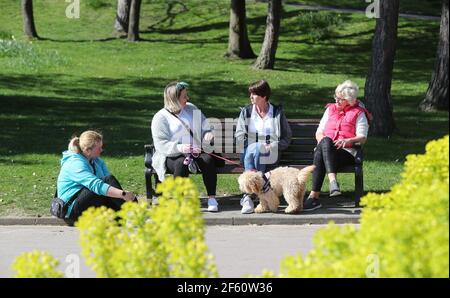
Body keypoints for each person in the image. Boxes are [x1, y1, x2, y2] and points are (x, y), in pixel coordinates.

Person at [151, 81, 219, 212]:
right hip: (173, 154)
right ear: (174, 99)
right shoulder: (160, 117)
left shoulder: (191, 108)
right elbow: (160, 144)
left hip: (196, 151)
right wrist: (180, 148)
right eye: (184, 97)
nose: (187, 99)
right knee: (181, 164)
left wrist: (208, 134)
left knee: (208, 160)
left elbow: (206, 126)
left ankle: (212, 198)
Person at [303, 80, 371, 211]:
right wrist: (324, 143)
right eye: (336, 97)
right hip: (326, 149)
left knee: (322, 150)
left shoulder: (359, 113)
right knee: (325, 142)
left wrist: (348, 141)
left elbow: (362, 138)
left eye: (340, 99)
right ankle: (333, 182)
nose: (336, 101)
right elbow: (319, 132)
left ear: (349, 100)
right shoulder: (330, 110)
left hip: (345, 153)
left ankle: (313, 198)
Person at [235, 80, 292, 214]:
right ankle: (258, 194)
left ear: (264, 96)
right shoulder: (246, 112)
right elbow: (239, 136)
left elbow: (287, 137)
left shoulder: (277, 113)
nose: (250, 97)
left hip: (271, 154)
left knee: (258, 151)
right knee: (256, 149)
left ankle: (248, 197)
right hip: (249, 152)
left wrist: (273, 145)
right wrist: (255, 145)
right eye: (250, 94)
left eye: (253, 94)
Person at [57, 130, 136, 224]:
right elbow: (97, 185)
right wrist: (123, 194)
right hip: (72, 212)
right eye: (99, 148)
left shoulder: (97, 162)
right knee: (108, 181)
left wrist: (123, 196)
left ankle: (131, 214)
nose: (101, 150)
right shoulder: (74, 163)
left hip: (88, 204)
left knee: (119, 219)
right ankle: (135, 212)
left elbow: (109, 186)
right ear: (88, 150)